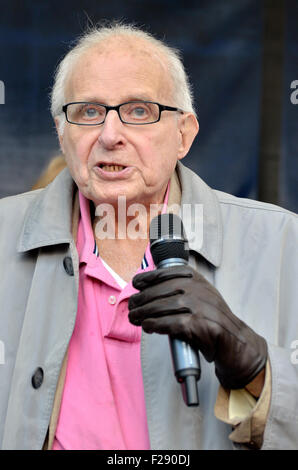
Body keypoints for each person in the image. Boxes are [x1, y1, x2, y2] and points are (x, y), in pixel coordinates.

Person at [0, 22, 297, 451]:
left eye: (139, 111)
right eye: (88, 112)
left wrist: (257, 369)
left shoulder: (284, 243)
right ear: (62, 134)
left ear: (184, 134)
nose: (110, 135)